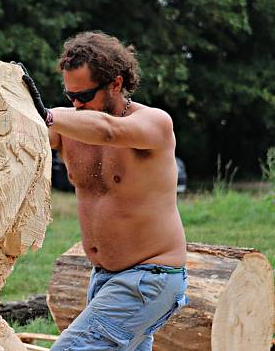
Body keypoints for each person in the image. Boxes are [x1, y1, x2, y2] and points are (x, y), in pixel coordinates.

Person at [18, 31, 188, 350]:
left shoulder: (153, 124)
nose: (77, 105)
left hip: (150, 277)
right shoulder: (69, 126)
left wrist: (49, 116)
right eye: (70, 97)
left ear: (116, 84)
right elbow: (24, 135)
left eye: (85, 96)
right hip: (104, 279)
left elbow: (109, 132)